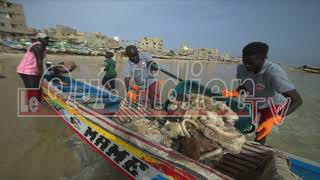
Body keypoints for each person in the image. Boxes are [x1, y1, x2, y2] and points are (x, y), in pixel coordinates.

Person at [225, 42, 303, 145]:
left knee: (261, 130)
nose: (247, 66)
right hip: (253, 100)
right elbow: (244, 85)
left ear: (263, 59)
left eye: (251, 63)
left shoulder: (273, 72)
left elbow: (297, 100)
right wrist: (235, 92)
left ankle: (258, 147)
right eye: (245, 62)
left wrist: (274, 119)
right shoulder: (242, 68)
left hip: (272, 104)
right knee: (239, 122)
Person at [16, 32, 49, 101]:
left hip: (33, 70)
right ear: (39, 39)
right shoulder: (37, 46)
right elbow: (39, 61)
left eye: (47, 38)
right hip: (26, 70)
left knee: (36, 87)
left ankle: (36, 101)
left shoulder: (43, 47)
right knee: (33, 88)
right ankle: (32, 104)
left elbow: (42, 61)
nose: (47, 40)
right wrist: (41, 74)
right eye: (45, 39)